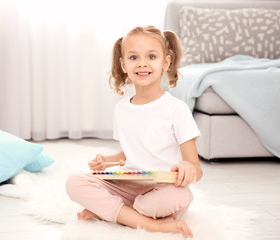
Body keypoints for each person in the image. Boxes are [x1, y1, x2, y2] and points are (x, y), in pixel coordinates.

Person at [65, 25, 202, 237]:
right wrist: (107, 160)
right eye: (133, 57)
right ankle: (152, 224)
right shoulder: (121, 108)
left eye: (152, 56)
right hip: (129, 185)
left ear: (166, 62)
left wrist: (187, 167)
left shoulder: (177, 109)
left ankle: (114, 213)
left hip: (163, 189)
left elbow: (195, 168)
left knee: (176, 198)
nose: (142, 63)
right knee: (74, 182)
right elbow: (131, 153)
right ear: (123, 65)